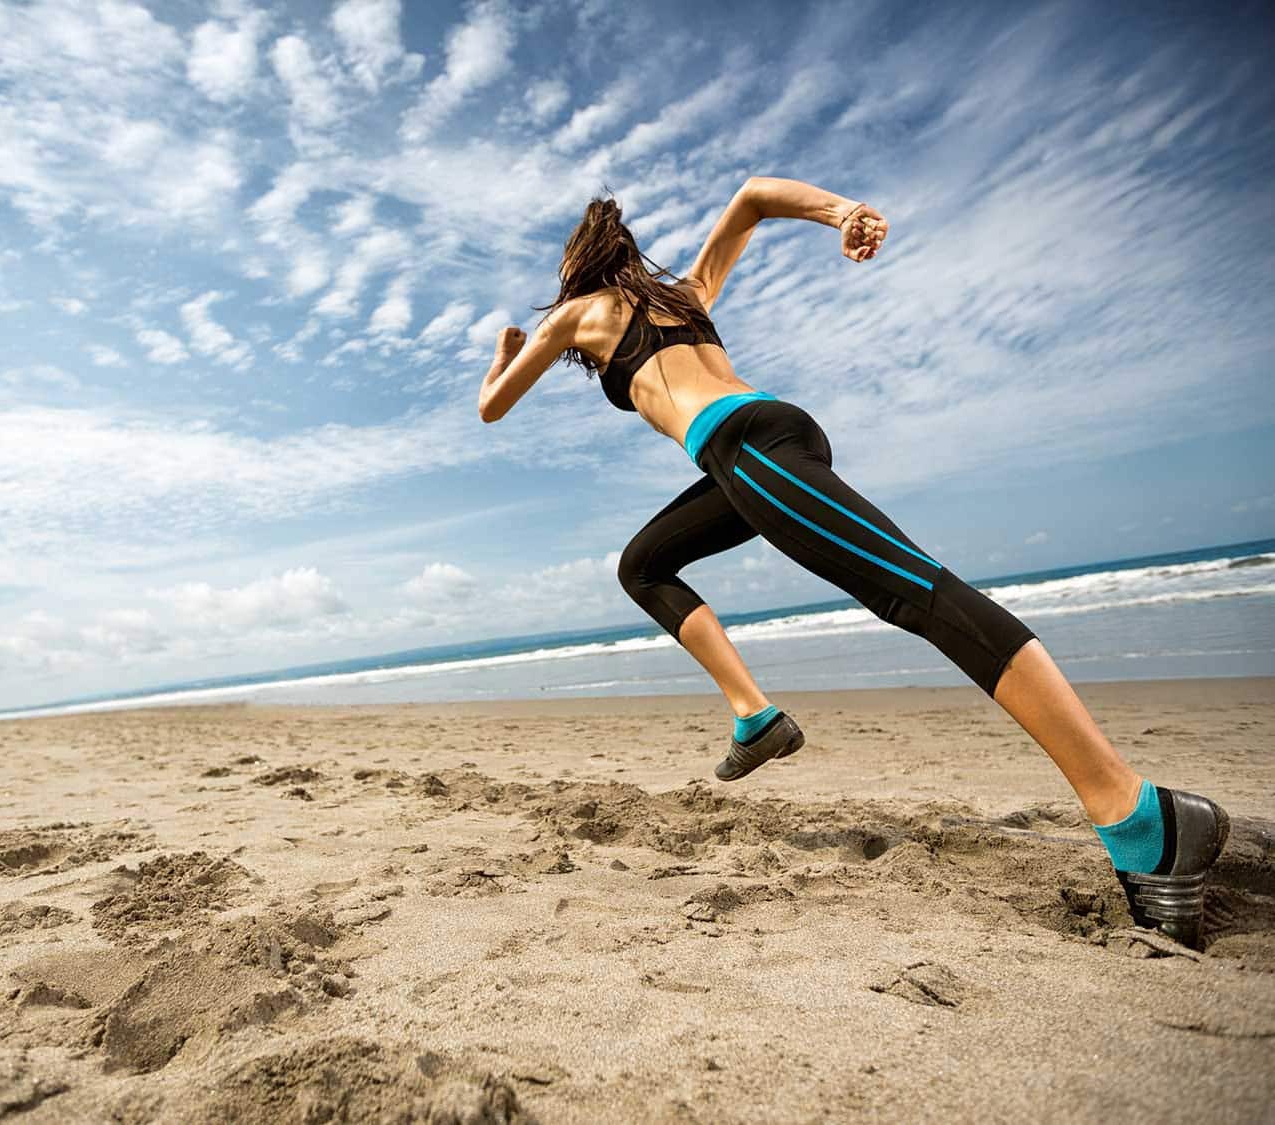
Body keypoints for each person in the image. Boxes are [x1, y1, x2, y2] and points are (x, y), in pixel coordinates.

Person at [476, 177, 1229, 947]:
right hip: (764, 444)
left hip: (745, 450)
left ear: (578, 271)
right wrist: (846, 214)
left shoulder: (577, 313)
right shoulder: (688, 296)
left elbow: (493, 406)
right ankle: (755, 716)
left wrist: (504, 354)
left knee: (920, 594)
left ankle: (1141, 817)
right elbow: (752, 199)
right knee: (644, 564)